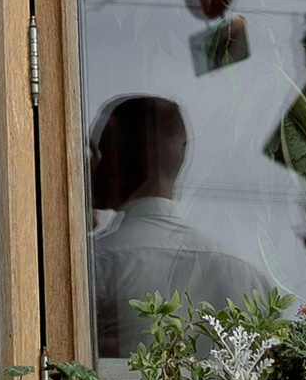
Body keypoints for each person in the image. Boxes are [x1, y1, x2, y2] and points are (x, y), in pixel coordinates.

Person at [87, 91, 263, 356]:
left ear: (114, 159)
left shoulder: (96, 267)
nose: (90, 166)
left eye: (97, 152)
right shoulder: (250, 279)